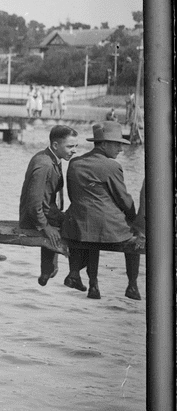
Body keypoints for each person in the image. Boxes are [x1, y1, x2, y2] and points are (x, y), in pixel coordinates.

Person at [60, 121, 142, 300]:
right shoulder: (111, 166)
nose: (120, 149)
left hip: (77, 226)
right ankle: (132, 286)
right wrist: (134, 221)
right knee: (134, 236)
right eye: (117, 144)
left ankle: (93, 284)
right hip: (105, 228)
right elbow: (124, 200)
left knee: (91, 228)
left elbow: (73, 196)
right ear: (104, 144)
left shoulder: (74, 163)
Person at [19, 126, 79, 286]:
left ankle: (48, 269)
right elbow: (33, 203)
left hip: (45, 212)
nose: (74, 151)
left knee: (75, 219)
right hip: (34, 218)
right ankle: (72, 273)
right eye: (70, 146)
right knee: (80, 227)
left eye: (76, 146)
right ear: (55, 145)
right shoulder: (44, 164)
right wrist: (45, 226)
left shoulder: (51, 158)